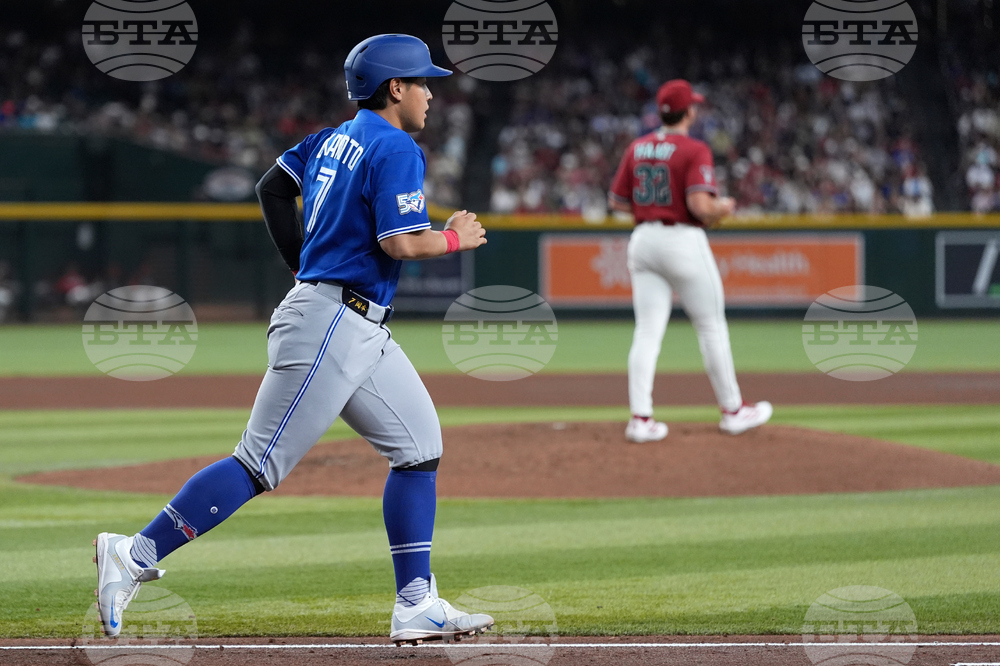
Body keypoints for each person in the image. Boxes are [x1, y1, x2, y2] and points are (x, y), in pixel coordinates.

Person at [94, 34, 494, 646]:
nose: (430, 94)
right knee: (258, 464)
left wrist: (303, 264)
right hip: (332, 321)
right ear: (395, 88)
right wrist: (453, 239)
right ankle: (134, 551)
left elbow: (272, 188)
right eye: (422, 82)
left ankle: (417, 604)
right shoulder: (396, 146)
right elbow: (400, 242)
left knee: (419, 447)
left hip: (353, 322)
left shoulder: (330, 138)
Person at [607, 79, 773, 443]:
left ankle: (640, 418)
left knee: (647, 331)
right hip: (682, 238)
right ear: (689, 111)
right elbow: (700, 206)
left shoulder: (638, 147)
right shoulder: (694, 148)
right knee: (711, 327)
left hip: (644, 239)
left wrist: (652, 207)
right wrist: (723, 208)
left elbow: (617, 202)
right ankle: (733, 412)